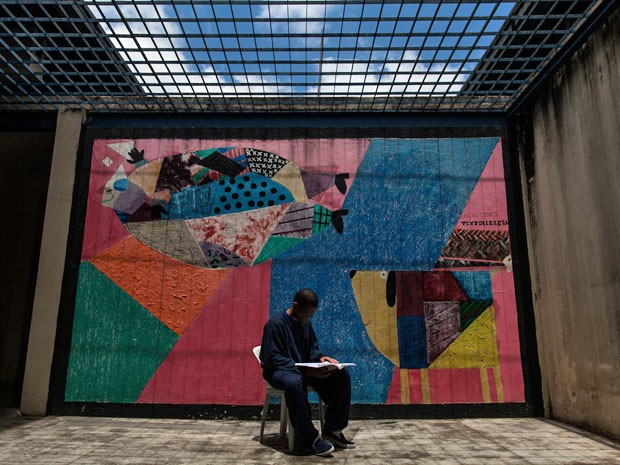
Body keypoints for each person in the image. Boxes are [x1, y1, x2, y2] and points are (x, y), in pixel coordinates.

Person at [259, 288, 355, 456]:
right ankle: (310, 439)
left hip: (302, 369)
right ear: (295, 305)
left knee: (340, 375)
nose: (308, 316)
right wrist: (304, 371)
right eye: (306, 312)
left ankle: (333, 430)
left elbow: (312, 349)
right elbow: (272, 358)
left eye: (311, 313)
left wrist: (321, 358)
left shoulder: (305, 323)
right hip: (280, 371)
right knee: (295, 383)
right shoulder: (275, 325)